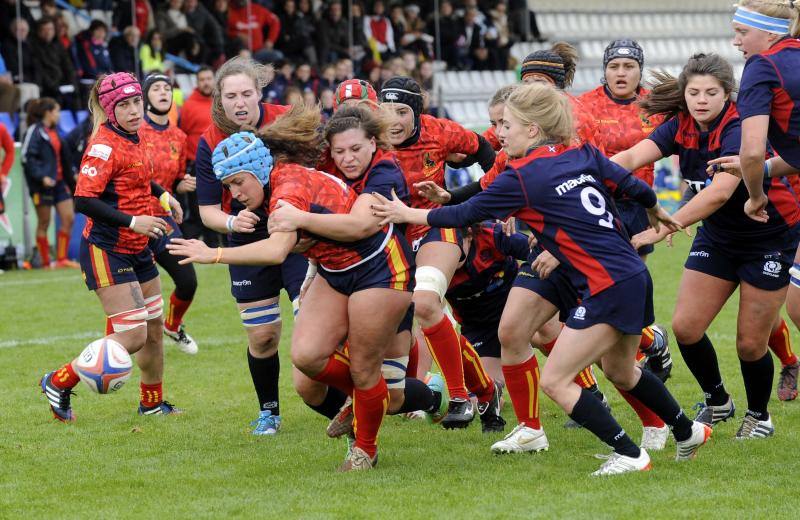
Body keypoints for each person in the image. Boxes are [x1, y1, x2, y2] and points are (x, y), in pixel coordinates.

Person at [371, 83, 711, 476]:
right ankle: (687, 431)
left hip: (607, 285)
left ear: (532, 130)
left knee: (556, 380)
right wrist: (655, 210)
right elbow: (630, 183)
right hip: (631, 273)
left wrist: (408, 214)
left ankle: (631, 455)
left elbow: (466, 216)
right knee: (620, 371)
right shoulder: (578, 151)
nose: (499, 134)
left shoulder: (523, 175)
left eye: (507, 126)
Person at [169, 109, 413, 472]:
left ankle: (365, 448)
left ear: (256, 170)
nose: (234, 194)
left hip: (379, 269)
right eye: (229, 187)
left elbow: (275, 251)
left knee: (365, 370)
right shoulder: (271, 187)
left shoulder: (287, 189)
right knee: (307, 358)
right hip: (334, 270)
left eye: (238, 183)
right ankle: (366, 399)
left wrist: (212, 253)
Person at [616, 53, 800, 438]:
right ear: (684, 95)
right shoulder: (680, 124)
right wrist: (587, 173)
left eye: (711, 93)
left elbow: (718, 193)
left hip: (769, 237)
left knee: (750, 345)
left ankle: (759, 415)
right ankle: (718, 401)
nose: (701, 100)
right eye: (694, 92)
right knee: (685, 327)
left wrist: (665, 226)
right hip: (718, 237)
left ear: (726, 94)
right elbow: (633, 156)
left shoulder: (737, 127)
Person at [266, 105, 447, 438]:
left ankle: (430, 398)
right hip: (339, 276)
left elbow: (360, 225)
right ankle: (360, 403)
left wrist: (301, 221)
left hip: (385, 275)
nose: (348, 158)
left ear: (374, 144)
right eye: (340, 151)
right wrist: (310, 262)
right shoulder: (327, 167)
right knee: (308, 375)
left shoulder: (384, 171)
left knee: (391, 398)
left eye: (356, 149)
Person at [39, 72, 183, 422]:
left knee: (152, 331)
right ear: (109, 109)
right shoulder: (103, 145)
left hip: (139, 247)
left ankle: (151, 403)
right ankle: (58, 381)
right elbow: (84, 200)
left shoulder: (134, 135)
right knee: (132, 335)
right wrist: (135, 221)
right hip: (108, 249)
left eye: (136, 102)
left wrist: (161, 194)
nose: (134, 110)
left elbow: (135, 176)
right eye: (124, 105)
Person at [379, 76, 499, 429]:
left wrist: (480, 200)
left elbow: (486, 153)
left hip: (436, 225)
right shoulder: (370, 141)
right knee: (425, 321)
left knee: (427, 303)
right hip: (390, 239)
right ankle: (485, 391)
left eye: (401, 111)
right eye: (386, 112)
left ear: (417, 112)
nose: (394, 121)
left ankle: (460, 397)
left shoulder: (441, 131)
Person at [194, 56, 305, 435]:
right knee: (262, 335)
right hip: (245, 237)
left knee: (311, 322)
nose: (239, 103)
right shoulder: (209, 140)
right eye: (230, 96)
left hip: (296, 233)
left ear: (260, 93)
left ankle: (347, 399)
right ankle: (269, 411)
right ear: (219, 100)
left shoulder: (288, 120)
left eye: (246, 93)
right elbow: (207, 209)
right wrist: (231, 221)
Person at [709, 1, 800, 404]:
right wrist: (761, 171)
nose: (736, 41)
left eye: (741, 32)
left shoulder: (764, 67)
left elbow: (749, 151)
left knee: (797, 305)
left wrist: (756, 195)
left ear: (767, 34)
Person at [578, 40, 664, 260]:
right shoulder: (584, 105)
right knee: (596, 270)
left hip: (638, 202)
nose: (621, 72)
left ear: (640, 70)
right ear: (605, 70)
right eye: (614, 66)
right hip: (595, 199)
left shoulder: (656, 105)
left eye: (629, 66)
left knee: (635, 270)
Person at [135, 72, 199, 354]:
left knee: (188, 282)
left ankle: (172, 326)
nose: (163, 92)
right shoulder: (135, 132)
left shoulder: (179, 136)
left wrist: (182, 184)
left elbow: (173, 179)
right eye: (156, 88)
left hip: (163, 219)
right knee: (135, 292)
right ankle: (124, 344)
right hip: (134, 219)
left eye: (167, 88)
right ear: (145, 97)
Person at [20, 98, 77, 269]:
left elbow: (64, 160)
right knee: (44, 222)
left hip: (59, 183)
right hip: (42, 185)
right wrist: (41, 177)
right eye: (57, 111)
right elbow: (26, 157)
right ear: (48, 113)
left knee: (68, 218)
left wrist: (72, 179)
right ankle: (45, 263)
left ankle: (61, 259)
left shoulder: (55, 133)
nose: (59, 115)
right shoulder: (34, 131)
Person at [178, 65, 215, 243]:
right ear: (197, 82)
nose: (206, 83)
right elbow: (183, 134)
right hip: (196, 164)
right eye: (202, 80)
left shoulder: (222, 101)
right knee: (197, 208)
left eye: (209, 78)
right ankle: (184, 240)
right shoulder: (189, 105)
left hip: (221, 163)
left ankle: (214, 244)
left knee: (219, 205)